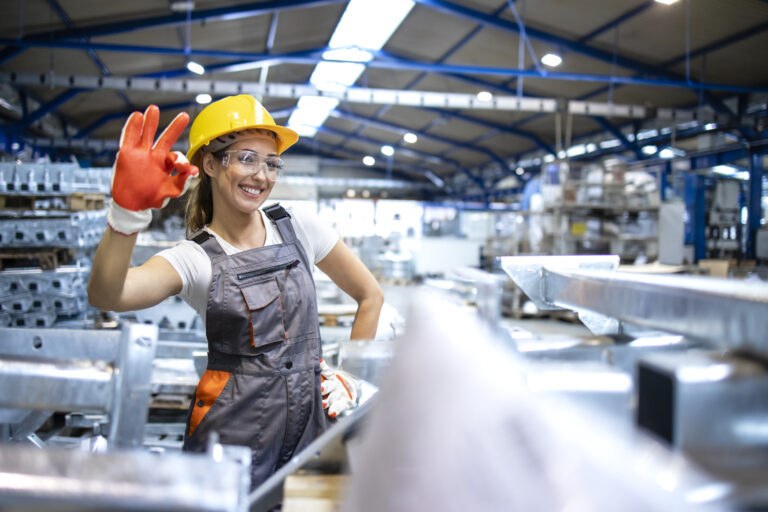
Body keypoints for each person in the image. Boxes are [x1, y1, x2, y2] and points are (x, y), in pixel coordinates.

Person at [87, 94, 384, 487]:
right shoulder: (195, 259)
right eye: (247, 158)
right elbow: (109, 295)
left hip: (312, 422)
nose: (262, 175)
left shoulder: (299, 226)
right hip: (233, 438)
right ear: (210, 163)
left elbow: (370, 296)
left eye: (271, 163)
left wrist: (349, 376)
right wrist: (126, 215)